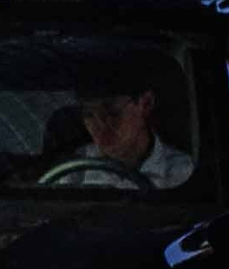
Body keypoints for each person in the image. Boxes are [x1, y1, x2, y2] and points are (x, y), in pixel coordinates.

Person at [59, 51, 195, 188]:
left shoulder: (182, 173)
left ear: (145, 104)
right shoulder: (74, 169)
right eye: (88, 114)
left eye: (112, 112)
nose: (99, 125)